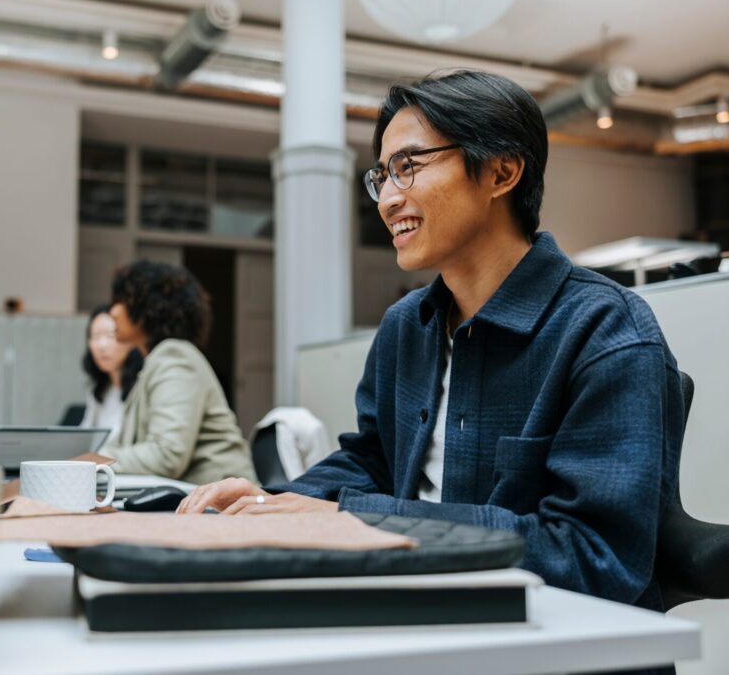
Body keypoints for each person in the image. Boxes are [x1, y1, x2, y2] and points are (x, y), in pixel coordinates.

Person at [180, 70, 684, 619]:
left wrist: (358, 519)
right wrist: (274, 504)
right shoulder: (407, 324)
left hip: (546, 641)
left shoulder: (605, 330)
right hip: (422, 613)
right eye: (381, 176)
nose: (388, 200)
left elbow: (595, 557)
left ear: (502, 171)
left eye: (408, 167)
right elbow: (373, 461)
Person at [98, 260, 258, 485]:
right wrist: (88, 460)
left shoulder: (175, 356)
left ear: (150, 308)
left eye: (122, 301)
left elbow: (167, 456)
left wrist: (90, 462)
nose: (113, 311)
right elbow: (126, 448)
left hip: (222, 504)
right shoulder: (155, 362)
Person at [78, 305, 143, 436]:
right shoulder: (98, 389)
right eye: (95, 336)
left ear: (129, 340)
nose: (102, 345)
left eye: (110, 335)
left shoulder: (141, 387)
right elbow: (84, 436)